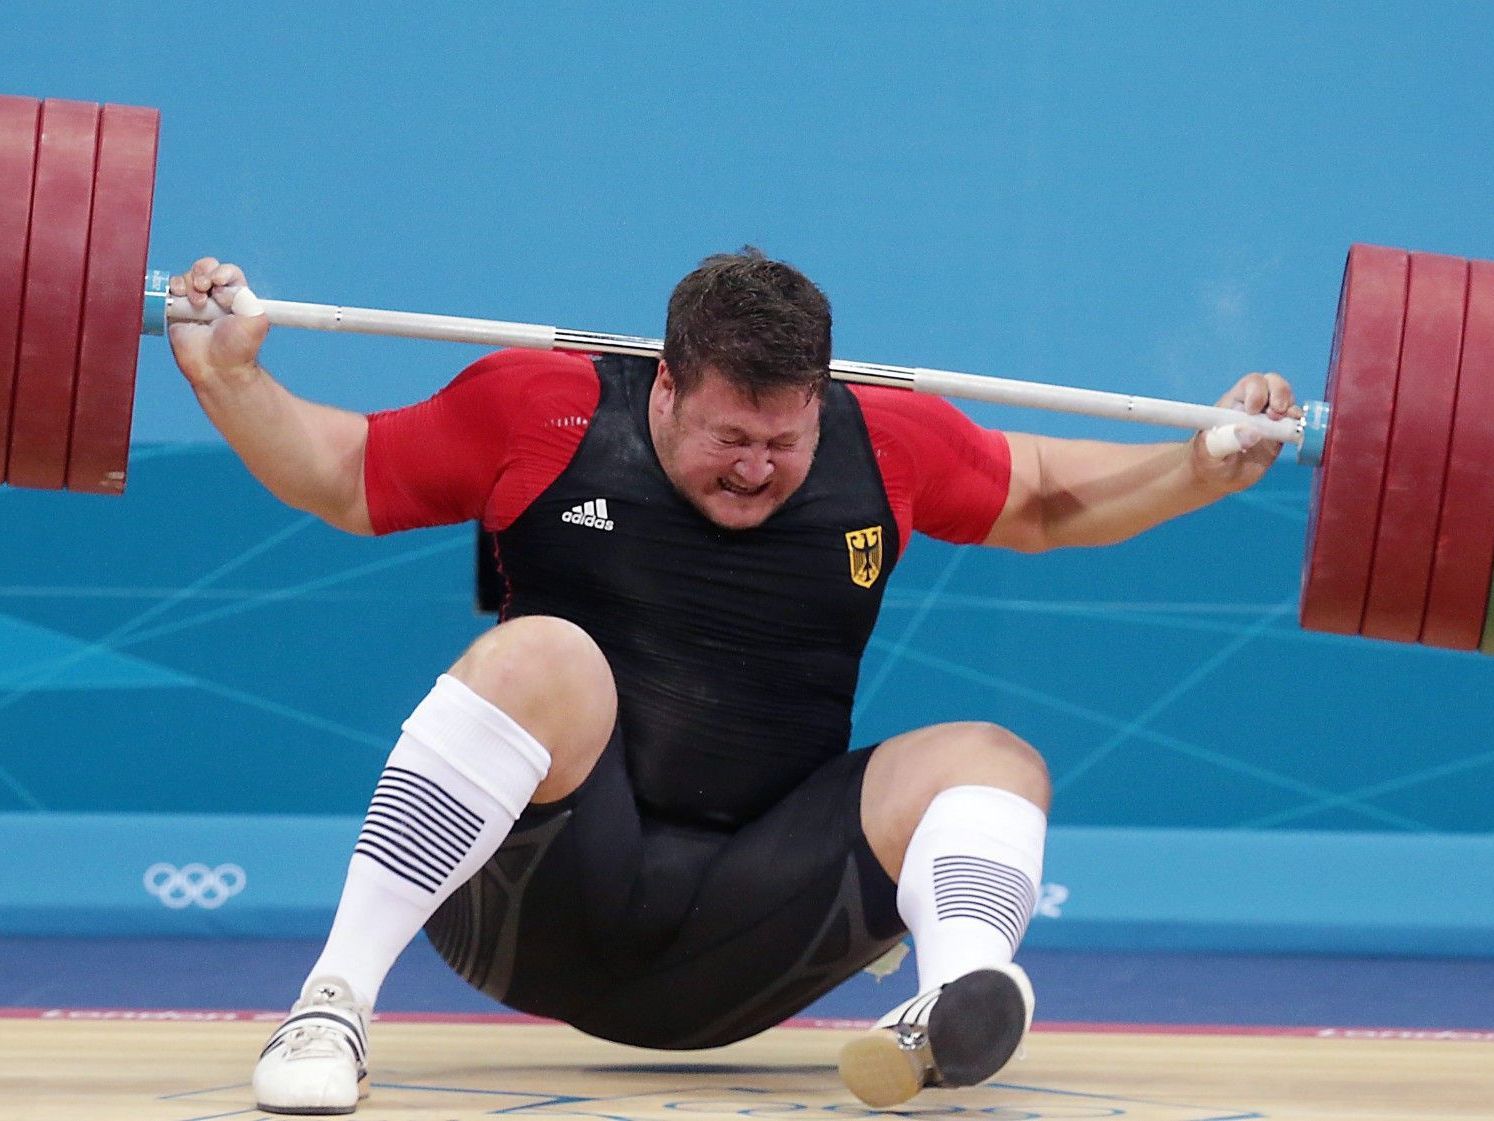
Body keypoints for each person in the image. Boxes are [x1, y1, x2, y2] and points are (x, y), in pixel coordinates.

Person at [167, 249, 1296, 1116]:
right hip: (541, 905)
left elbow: (1046, 496)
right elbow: (346, 474)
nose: (756, 466)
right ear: (664, 385)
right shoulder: (541, 409)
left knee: (993, 760)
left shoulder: (885, 438)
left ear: (821, 398)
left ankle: (952, 1000)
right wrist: (231, 379)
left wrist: (1199, 464)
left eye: (783, 439)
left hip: (756, 930)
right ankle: (329, 1008)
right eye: (728, 436)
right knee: (542, 653)